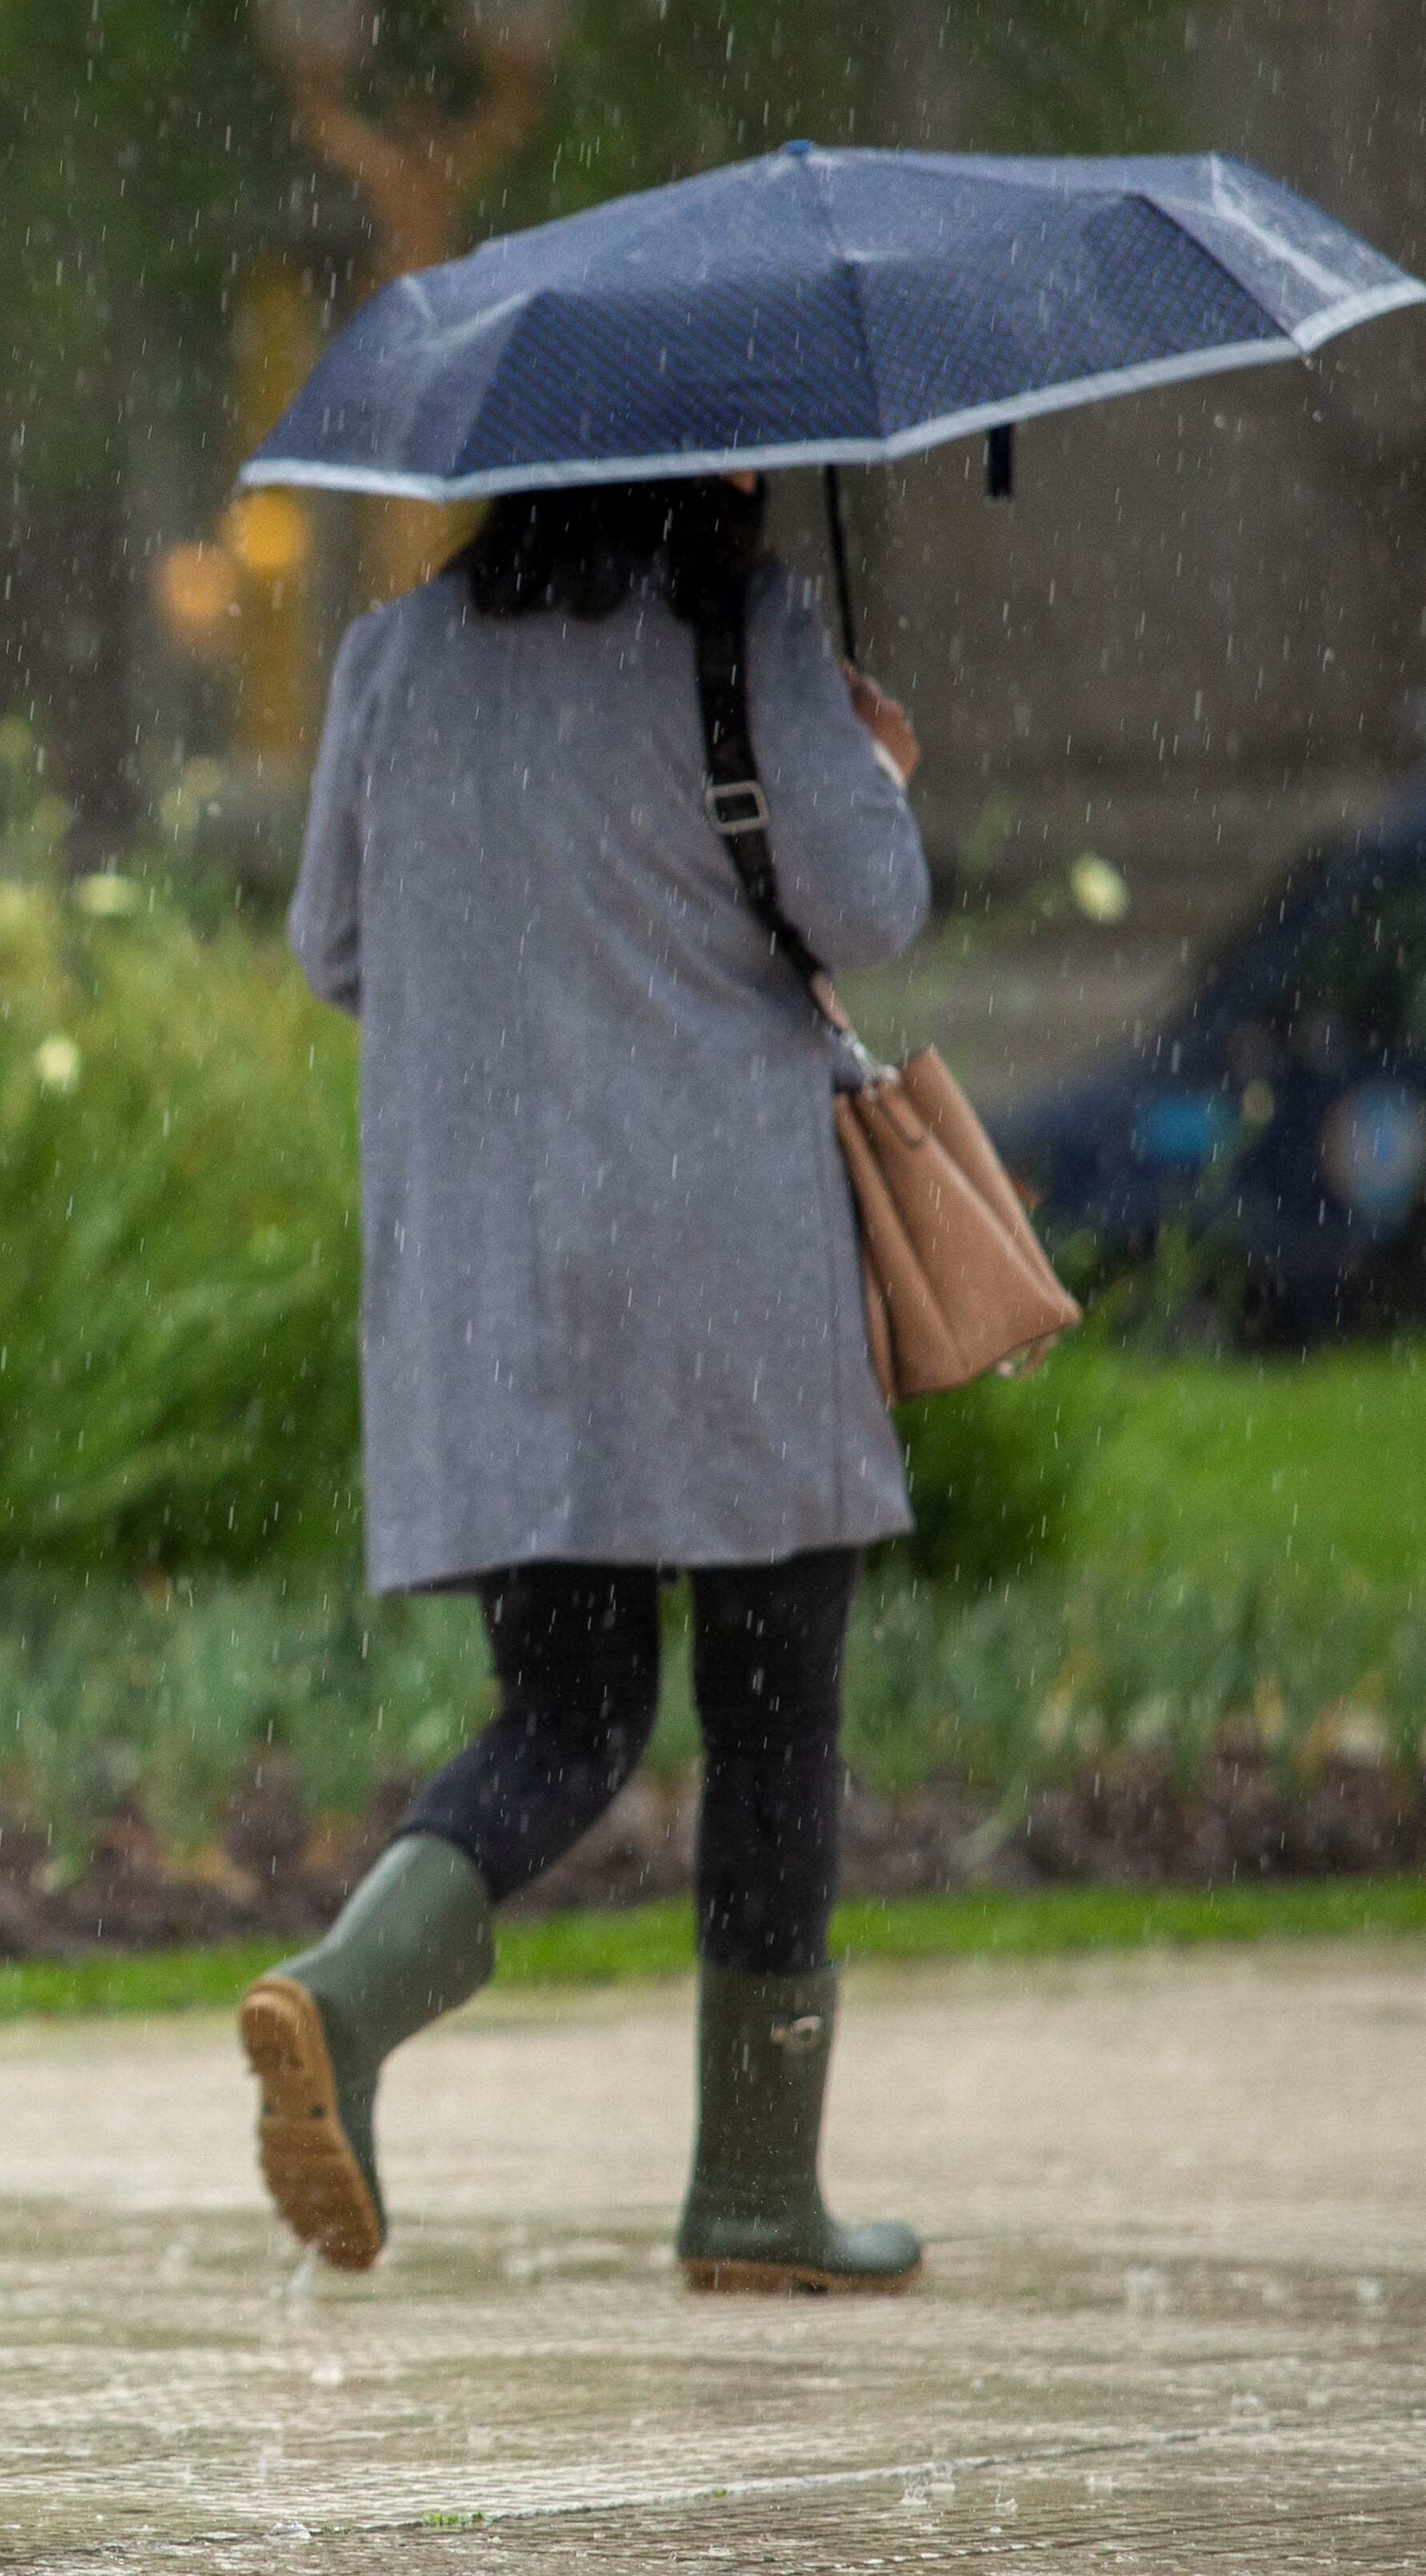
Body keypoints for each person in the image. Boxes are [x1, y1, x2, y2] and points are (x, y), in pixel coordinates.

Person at [260, 474, 931, 2295]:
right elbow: (867, 905)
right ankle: (753, 2195)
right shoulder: (743, 632)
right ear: (702, 465)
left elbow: (333, 943)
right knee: (774, 1719)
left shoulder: (394, 656)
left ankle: (345, 1991)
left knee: (567, 1712)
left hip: (498, 1278)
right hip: (731, 1263)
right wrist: (863, 760)